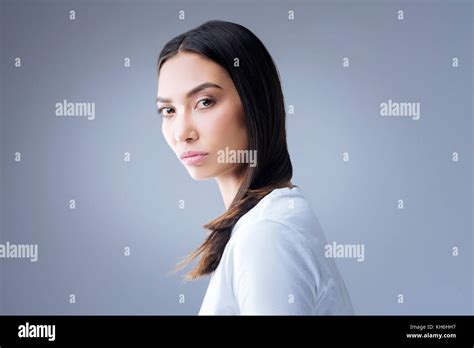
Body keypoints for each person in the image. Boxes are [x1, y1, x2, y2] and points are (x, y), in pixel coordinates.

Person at [156, 20, 354, 315]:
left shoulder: (267, 232)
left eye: (205, 102)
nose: (182, 131)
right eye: (168, 110)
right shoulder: (268, 220)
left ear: (253, 103)